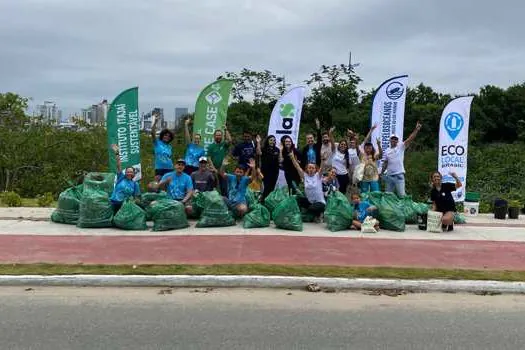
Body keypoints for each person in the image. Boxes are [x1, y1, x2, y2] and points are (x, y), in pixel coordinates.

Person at [381, 121, 422, 197]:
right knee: (388, 196)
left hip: (399, 175)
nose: (394, 140)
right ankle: (389, 208)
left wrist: (416, 130)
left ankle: (407, 208)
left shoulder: (401, 147)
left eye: (395, 139)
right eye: (392, 139)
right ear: (390, 140)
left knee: (402, 195)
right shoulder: (387, 151)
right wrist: (381, 172)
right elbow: (385, 163)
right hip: (389, 176)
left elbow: (410, 139)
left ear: (397, 141)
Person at [289, 152, 326, 222]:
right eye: (309, 168)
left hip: (320, 202)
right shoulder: (305, 176)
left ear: (315, 169)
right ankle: (297, 215)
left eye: (313, 168)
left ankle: (319, 215)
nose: (311, 169)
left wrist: (323, 160)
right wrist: (292, 158)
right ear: (307, 169)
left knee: (312, 208)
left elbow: (322, 168)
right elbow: (297, 167)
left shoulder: (318, 176)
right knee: (297, 199)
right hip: (310, 202)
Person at [109, 144, 140, 213]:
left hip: (125, 206)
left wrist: (134, 203)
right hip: (114, 203)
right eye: (127, 172)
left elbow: (136, 197)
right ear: (125, 173)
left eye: (131, 172)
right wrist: (117, 153)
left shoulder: (135, 184)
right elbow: (118, 165)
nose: (129, 173)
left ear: (133, 174)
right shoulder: (121, 178)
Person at [207, 127, 232, 195]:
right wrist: (214, 169)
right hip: (213, 171)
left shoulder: (224, 144)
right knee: (212, 189)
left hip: (223, 170)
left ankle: (224, 202)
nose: (218, 136)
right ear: (214, 136)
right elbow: (209, 158)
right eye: (217, 135)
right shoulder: (211, 146)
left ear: (222, 136)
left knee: (224, 188)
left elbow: (229, 140)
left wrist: (226, 130)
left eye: (220, 135)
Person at [150, 111, 174, 181]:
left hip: (169, 168)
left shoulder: (169, 146)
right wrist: (156, 121)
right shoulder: (157, 143)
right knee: (157, 186)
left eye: (169, 136)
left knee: (168, 186)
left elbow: (169, 157)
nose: (167, 137)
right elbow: (152, 132)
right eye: (165, 135)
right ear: (162, 135)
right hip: (159, 168)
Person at [260, 135, 280, 200]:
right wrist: (258, 142)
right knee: (266, 187)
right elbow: (258, 153)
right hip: (265, 172)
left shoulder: (277, 149)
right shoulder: (263, 149)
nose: (272, 142)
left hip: (275, 172)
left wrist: (281, 150)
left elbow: (280, 160)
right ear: (267, 141)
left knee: (272, 187)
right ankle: (263, 200)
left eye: (274, 140)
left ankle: (269, 200)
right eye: (271, 140)